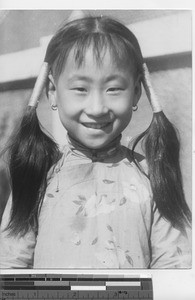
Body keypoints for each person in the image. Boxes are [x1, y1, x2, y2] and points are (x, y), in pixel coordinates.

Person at [0, 13, 192, 269]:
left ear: (136, 92)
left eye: (113, 88)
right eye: (80, 89)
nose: (98, 107)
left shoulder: (152, 176)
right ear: (52, 92)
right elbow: (10, 266)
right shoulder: (37, 174)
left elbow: (174, 266)